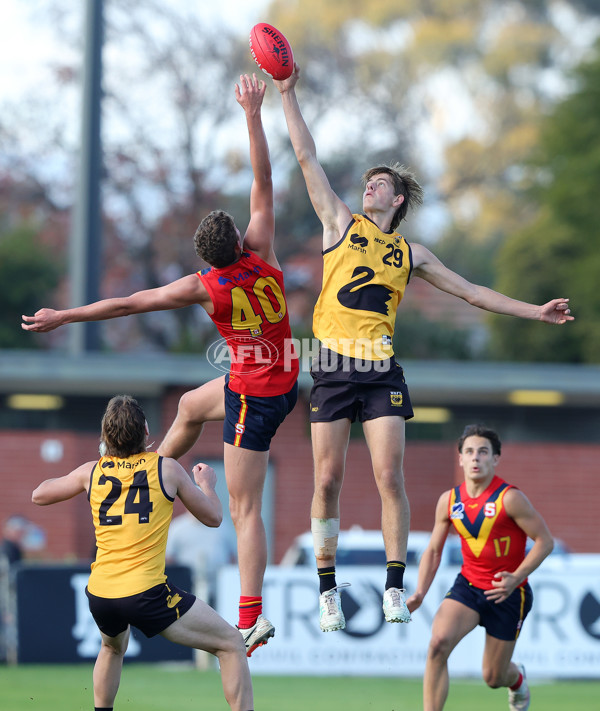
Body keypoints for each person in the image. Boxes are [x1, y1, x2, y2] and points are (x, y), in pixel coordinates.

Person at [272, 64, 573, 633]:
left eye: (380, 182)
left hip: (381, 369)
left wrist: (535, 310)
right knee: (328, 480)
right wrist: (288, 94)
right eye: (367, 180)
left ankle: (393, 585)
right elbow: (307, 157)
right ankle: (327, 589)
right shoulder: (339, 222)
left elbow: (473, 292)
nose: (369, 186)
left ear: (399, 197)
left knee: (390, 476)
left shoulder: (411, 254)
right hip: (333, 366)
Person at [22, 74, 299, 656]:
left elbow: (128, 304)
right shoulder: (265, 249)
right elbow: (264, 180)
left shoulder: (205, 288)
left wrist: (65, 317)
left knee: (244, 509)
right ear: (241, 241)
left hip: (254, 395)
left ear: (207, 258)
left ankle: (251, 616)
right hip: (280, 375)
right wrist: (253, 112)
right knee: (192, 407)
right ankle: (149, 473)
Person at [31, 395, 254, 711]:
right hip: (146, 593)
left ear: (105, 437)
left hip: (102, 594)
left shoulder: (91, 472)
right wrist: (207, 484)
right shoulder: (167, 469)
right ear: (147, 432)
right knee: (231, 643)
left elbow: (38, 495)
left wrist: (88, 472)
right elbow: (214, 518)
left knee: (111, 648)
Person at [405, 424, 554, 711]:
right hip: (469, 587)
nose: (475, 458)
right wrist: (420, 592)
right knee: (438, 644)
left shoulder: (510, 498)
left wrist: (517, 577)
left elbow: (544, 542)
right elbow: (434, 550)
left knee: (493, 676)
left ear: (495, 459)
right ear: (459, 458)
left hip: (507, 594)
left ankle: (517, 679)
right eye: (469, 452)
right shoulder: (449, 500)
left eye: (483, 452)